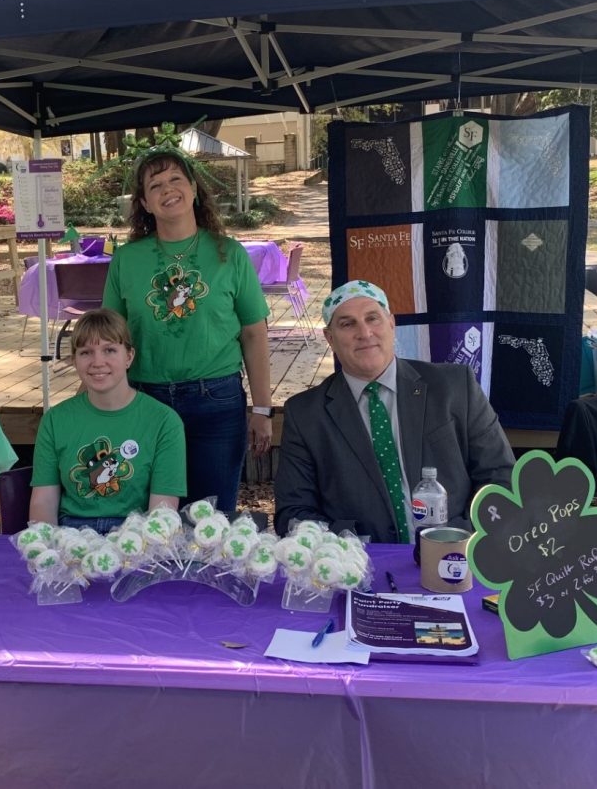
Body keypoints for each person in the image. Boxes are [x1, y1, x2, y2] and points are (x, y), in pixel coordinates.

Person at [102, 133, 272, 512]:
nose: (168, 190)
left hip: (216, 400)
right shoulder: (127, 260)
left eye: (176, 179)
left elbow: (254, 333)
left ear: (194, 188)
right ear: (145, 203)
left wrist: (262, 409)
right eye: (155, 185)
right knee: (148, 518)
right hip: (143, 401)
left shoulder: (230, 254)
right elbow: (108, 337)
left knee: (210, 518)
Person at [274, 280, 515, 540]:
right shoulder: (305, 414)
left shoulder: (454, 387)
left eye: (372, 318)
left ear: (391, 324)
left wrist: (461, 537)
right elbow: (294, 512)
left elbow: (499, 476)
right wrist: (345, 551)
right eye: (347, 323)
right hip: (360, 564)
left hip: (457, 552)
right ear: (330, 338)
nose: (364, 333)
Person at [30, 308, 186, 533]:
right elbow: (43, 502)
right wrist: (48, 548)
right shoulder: (54, 420)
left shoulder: (164, 422)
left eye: (110, 350)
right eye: (86, 352)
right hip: (71, 534)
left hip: (136, 535)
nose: (97, 362)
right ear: (74, 360)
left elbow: (162, 511)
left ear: (129, 357)